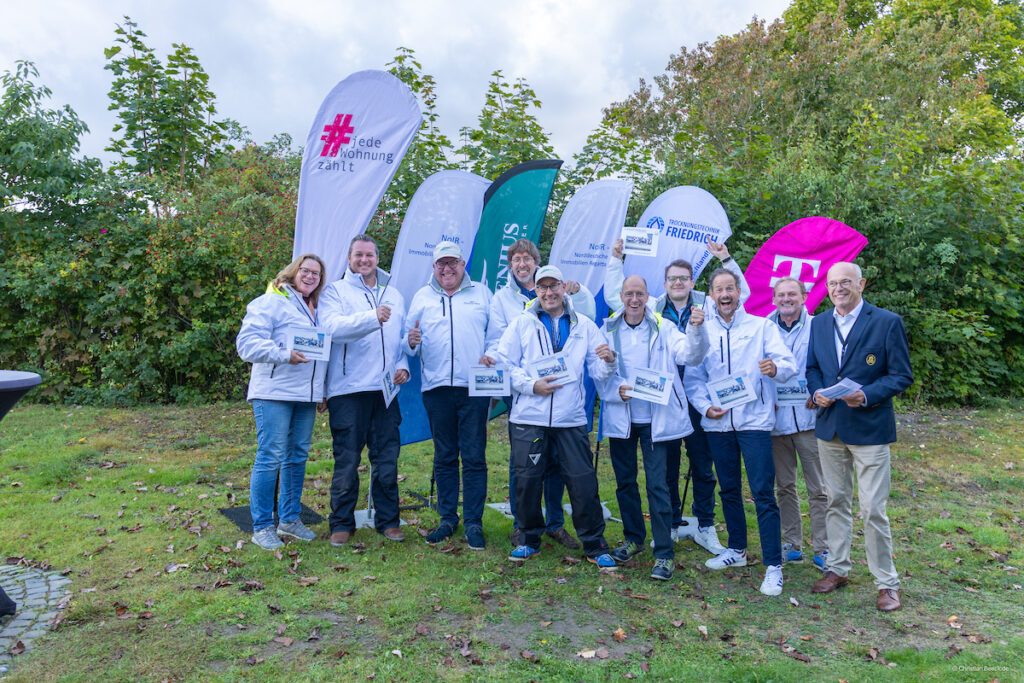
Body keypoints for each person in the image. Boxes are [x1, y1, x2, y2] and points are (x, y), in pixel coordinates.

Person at [605, 237, 747, 553]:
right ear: (665, 283)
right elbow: (618, 296)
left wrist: (726, 260)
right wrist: (616, 259)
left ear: (692, 282)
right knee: (665, 468)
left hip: (699, 395)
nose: (678, 283)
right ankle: (669, 524)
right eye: (672, 279)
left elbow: (743, 296)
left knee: (702, 464)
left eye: (683, 278)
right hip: (661, 401)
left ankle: (705, 524)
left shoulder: (708, 303)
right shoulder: (653, 307)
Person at [494, 265, 619, 568]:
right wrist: (531, 385)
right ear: (536, 291)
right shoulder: (522, 323)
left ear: (563, 288)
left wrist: (608, 362)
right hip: (529, 416)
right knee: (527, 480)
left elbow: (597, 370)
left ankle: (594, 544)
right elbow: (504, 363)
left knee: (582, 481)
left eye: (553, 286)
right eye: (542, 287)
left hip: (570, 418)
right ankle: (528, 539)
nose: (548, 292)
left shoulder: (584, 325)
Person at [806, 262, 913, 612]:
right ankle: (837, 568)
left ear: (861, 284)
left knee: (872, 509)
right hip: (830, 427)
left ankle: (886, 583)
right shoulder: (819, 323)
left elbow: (901, 375)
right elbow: (812, 368)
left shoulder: (886, 322)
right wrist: (816, 392)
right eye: (832, 283)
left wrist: (866, 395)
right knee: (835, 501)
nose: (838, 289)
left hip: (869, 428)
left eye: (845, 282)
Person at [686, 268, 797, 596]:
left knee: (762, 492)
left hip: (754, 422)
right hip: (718, 424)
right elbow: (693, 378)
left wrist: (775, 369)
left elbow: (788, 365)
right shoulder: (702, 330)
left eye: (730, 288)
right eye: (719, 289)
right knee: (729, 489)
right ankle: (736, 549)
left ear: (739, 292)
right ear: (711, 295)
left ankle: (773, 565)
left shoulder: (762, 327)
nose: (725, 294)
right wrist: (706, 407)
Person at [484, 238, 595, 550]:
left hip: (564, 405)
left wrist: (579, 291)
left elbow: (588, 321)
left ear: (536, 264)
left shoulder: (567, 305)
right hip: (527, 397)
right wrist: (521, 379)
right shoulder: (504, 300)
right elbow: (499, 344)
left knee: (558, 464)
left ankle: (555, 523)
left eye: (527, 259)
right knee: (525, 466)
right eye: (516, 259)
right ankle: (523, 527)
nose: (522, 264)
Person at [597, 275, 709, 580]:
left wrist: (696, 329)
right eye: (629, 294)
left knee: (658, 484)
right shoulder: (608, 329)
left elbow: (691, 355)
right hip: (623, 417)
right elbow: (596, 372)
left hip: (656, 420)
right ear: (621, 296)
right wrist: (615, 386)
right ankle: (633, 538)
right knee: (625, 482)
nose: (634, 300)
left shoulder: (664, 327)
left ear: (648, 297)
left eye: (640, 294)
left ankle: (663, 552)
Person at [320, 234, 410, 545]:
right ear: (349, 258)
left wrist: (403, 366)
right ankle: (341, 523)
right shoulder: (335, 291)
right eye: (358, 255)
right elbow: (331, 329)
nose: (364, 260)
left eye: (369, 255)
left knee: (387, 458)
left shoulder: (393, 294)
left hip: (385, 390)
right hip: (348, 389)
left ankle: (388, 520)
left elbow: (400, 339)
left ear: (377, 258)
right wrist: (372, 317)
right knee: (347, 459)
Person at [236, 253, 329, 550]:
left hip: (305, 396)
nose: (310, 276)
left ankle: (289, 519)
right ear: (293, 271)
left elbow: (320, 353)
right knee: (270, 456)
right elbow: (246, 345)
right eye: (306, 270)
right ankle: (262, 526)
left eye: (316, 273)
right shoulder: (271, 301)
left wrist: (321, 390)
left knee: (297, 457)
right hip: (274, 393)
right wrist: (284, 354)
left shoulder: (318, 308)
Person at [404, 242, 493, 550]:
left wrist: (492, 355)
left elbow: (495, 335)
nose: (447, 268)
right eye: (441, 263)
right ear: (434, 267)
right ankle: (447, 519)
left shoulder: (482, 293)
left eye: (452, 262)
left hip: (475, 388)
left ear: (462, 263)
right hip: (437, 387)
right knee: (444, 456)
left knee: (474, 456)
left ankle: (473, 522)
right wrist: (411, 342)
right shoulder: (422, 297)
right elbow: (407, 342)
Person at [768, 278, 830, 570]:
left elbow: (830, 364)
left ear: (804, 296)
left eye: (792, 293)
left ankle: (824, 548)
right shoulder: (763, 328)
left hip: (809, 419)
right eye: (781, 295)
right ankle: (792, 544)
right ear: (774, 299)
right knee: (784, 486)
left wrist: (820, 392)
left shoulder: (819, 326)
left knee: (819, 488)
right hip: (777, 420)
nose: (786, 299)